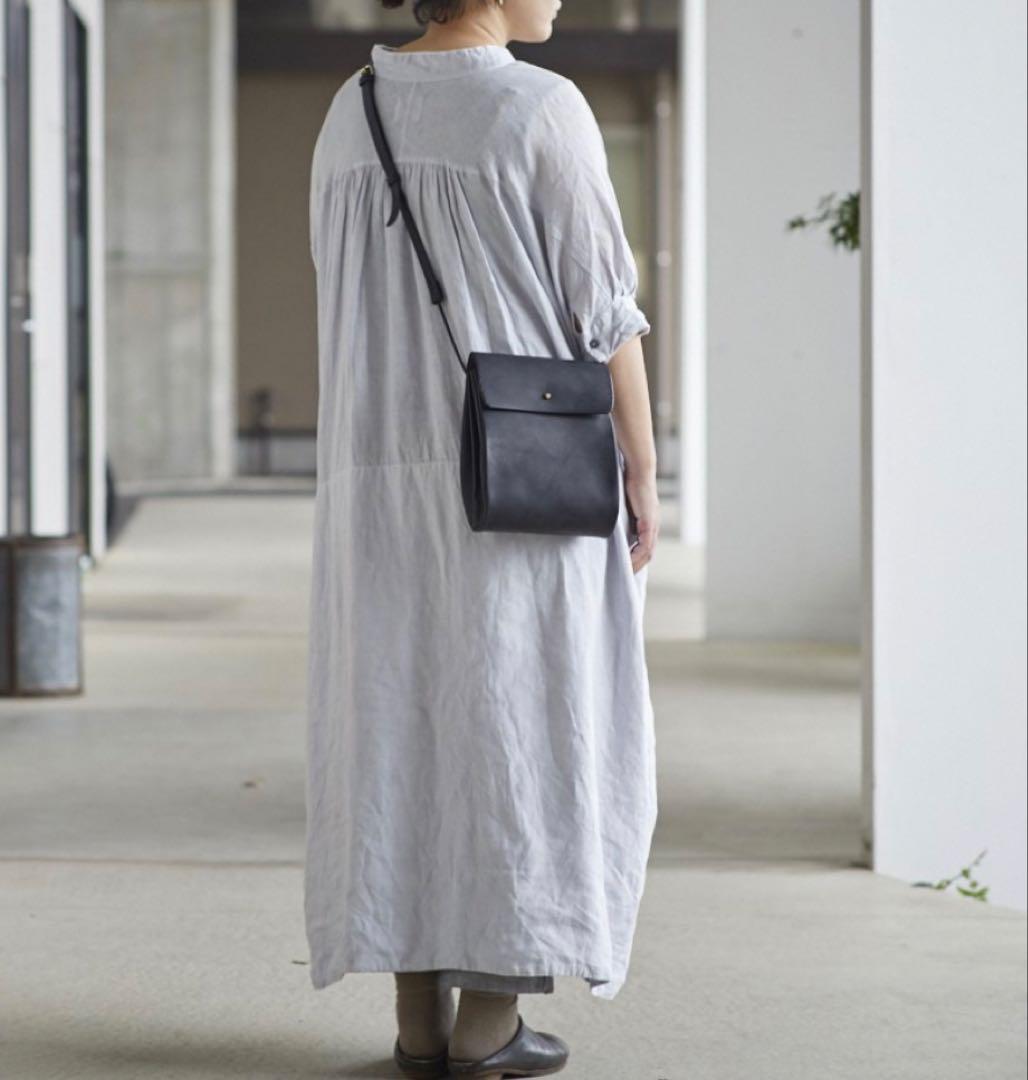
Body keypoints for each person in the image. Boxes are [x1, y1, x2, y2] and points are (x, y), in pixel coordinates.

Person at [305, 0, 660, 1076]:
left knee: (399, 731)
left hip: (375, 485)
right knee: (521, 729)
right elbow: (602, 309)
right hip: (517, 479)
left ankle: (418, 1020)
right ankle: (489, 1023)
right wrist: (642, 466)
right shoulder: (538, 108)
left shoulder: (350, 109)